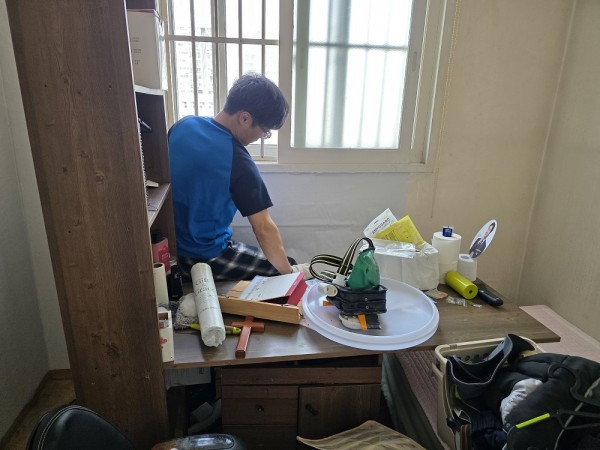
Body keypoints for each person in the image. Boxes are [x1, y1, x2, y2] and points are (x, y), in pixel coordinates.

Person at [168, 72, 310, 281]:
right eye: (265, 131)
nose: (262, 137)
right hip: (204, 257)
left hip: (168, 249)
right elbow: (263, 228)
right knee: (285, 267)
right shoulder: (236, 159)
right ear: (244, 118)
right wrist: (288, 273)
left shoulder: (182, 126)